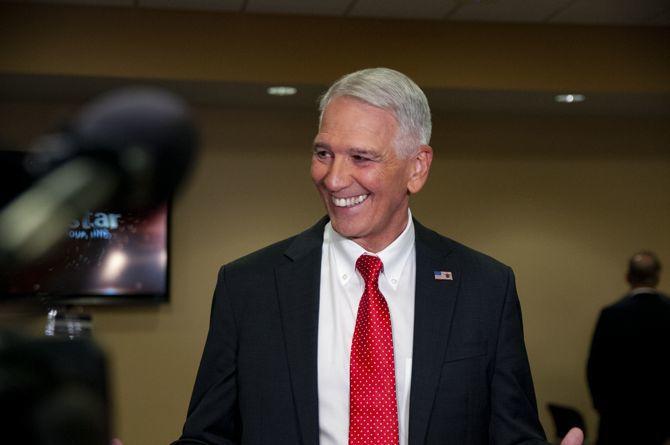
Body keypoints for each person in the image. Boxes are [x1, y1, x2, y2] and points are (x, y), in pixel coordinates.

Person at [171, 68, 583, 445]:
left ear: (417, 168)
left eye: (361, 157)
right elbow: (209, 437)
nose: (333, 179)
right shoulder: (249, 287)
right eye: (323, 153)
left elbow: (512, 434)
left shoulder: (486, 289)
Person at [587, 251, 670, 445]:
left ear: (628, 277)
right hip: (658, 419)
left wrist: (603, 407)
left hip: (617, 419)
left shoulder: (612, 314)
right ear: (657, 277)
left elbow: (595, 367)